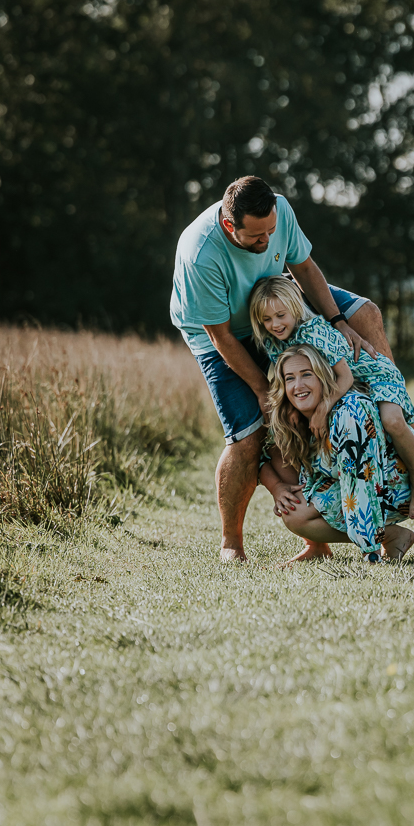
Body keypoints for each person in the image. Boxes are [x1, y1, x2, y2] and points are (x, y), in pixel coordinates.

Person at [170, 175, 391, 562]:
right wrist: (263, 391)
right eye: (256, 237)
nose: (267, 242)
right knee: (251, 435)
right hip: (222, 332)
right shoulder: (200, 253)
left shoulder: (279, 210)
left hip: (275, 301)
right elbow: (222, 336)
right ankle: (231, 544)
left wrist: (339, 322)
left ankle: (391, 418)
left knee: (366, 314)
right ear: (228, 226)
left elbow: (304, 269)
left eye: (271, 231)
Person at [249, 276, 414, 520]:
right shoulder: (273, 341)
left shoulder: (314, 330)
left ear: (295, 308)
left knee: (393, 420)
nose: (275, 324)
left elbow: (346, 378)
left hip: (375, 375)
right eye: (266, 319)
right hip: (349, 383)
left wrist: (321, 410)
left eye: (281, 315)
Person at [259, 344, 414, 565]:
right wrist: (277, 488)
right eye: (290, 378)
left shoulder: (348, 413)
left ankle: (376, 540)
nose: (298, 386)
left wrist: (370, 553)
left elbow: (363, 483)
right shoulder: (290, 416)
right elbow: (261, 457)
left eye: (307, 375)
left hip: (400, 478)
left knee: (353, 489)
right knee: (294, 513)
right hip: (349, 479)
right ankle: (393, 535)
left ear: (323, 377)